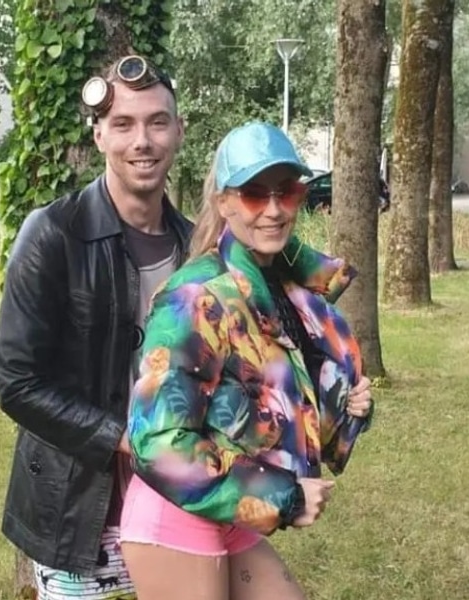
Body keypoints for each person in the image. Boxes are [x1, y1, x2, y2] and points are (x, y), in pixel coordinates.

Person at [120, 121, 374, 600]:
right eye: (255, 194)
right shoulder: (195, 297)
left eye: (287, 191)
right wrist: (283, 497)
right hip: (176, 516)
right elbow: (156, 442)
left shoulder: (287, 284)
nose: (274, 210)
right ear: (224, 203)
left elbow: (273, 397)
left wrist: (345, 404)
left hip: (229, 509)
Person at [0, 54, 192, 600]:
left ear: (178, 131)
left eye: (157, 122)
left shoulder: (196, 247)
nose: (142, 141)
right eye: (123, 124)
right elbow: (15, 382)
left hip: (180, 503)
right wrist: (125, 439)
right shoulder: (52, 234)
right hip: (80, 513)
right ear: (99, 134)